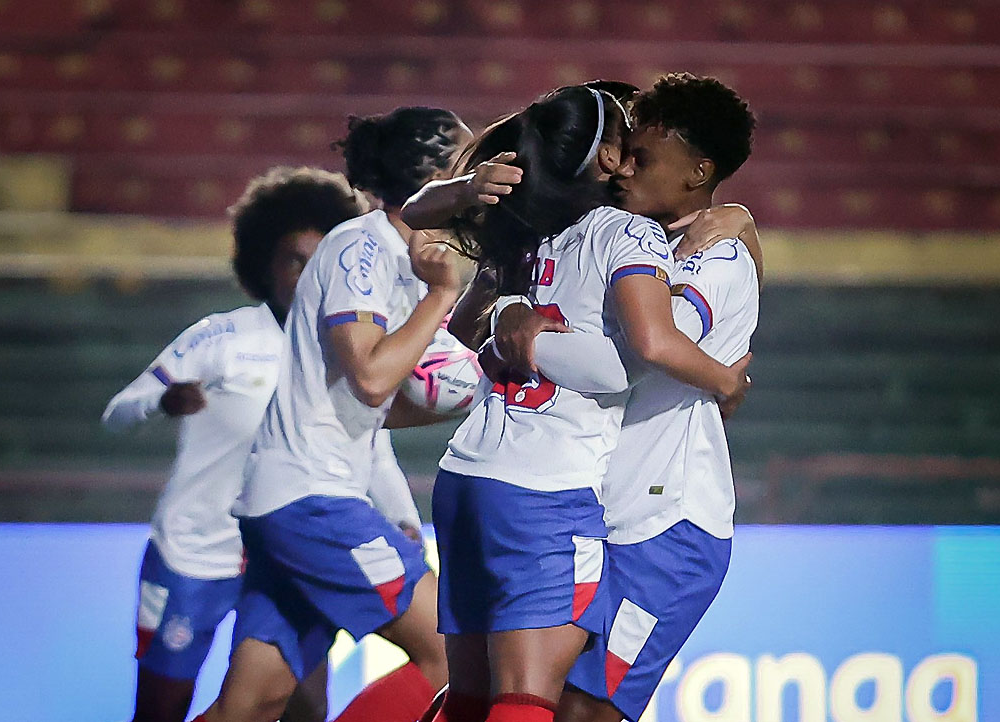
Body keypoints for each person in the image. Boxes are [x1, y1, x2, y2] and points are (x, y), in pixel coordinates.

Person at [424, 85, 751, 722]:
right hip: (582, 505)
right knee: (509, 697)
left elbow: (638, 353)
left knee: (568, 709)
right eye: (622, 151)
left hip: (662, 529)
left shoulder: (713, 256)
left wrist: (517, 334)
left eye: (642, 156)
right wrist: (509, 324)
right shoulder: (597, 237)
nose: (625, 166)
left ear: (698, 173)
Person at [194, 107, 472, 722]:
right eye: (467, 160)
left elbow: (366, 409)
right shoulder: (361, 249)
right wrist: (443, 298)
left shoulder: (404, 262)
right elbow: (371, 378)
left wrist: (395, 508)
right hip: (312, 501)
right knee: (452, 655)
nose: (481, 176)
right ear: (434, 176)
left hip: (304, 498)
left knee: (253, 702)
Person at [103, 167, 409, 722]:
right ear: (263, 264)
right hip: (197, 554)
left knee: (302, 706)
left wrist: (401, 515)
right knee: (159, 711)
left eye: (321, 260)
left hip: (290, 552)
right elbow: (118, 411)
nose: (308, 273)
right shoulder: (222, 337)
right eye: (295, 259)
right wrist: (161, 401)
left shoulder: (342, 350)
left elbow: (369, 444)